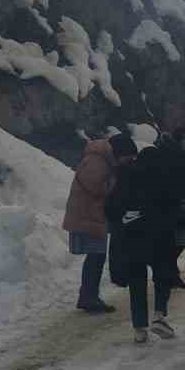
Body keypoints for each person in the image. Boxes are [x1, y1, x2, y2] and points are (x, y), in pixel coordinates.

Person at [106, 139, 185, 344]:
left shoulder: (125, 175)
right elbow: (174, 207)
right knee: (162, 277)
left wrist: (124, 217)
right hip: (159, 237)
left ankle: (139, 328)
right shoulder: (163, 177)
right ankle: (159, 315)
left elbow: (111, 206)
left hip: (132, 238)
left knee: (137, 282)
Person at [61, 132, 138, 311]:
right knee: (96, 256)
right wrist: (117, 177)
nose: (127, 161)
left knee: (96, 256)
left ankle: (88, 296)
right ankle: (88, 298)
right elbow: (97, 187)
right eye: (127, 157)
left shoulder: (104, 160)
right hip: (87, 216)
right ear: (119, 153)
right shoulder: (96, 161)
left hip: (92, 215)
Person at [158, 127, 185, 289]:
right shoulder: (172, 157)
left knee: (179, 243)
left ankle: (170, 274)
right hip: (174, 207)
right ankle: (168, 275)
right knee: (175, 243)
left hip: (184, 206)